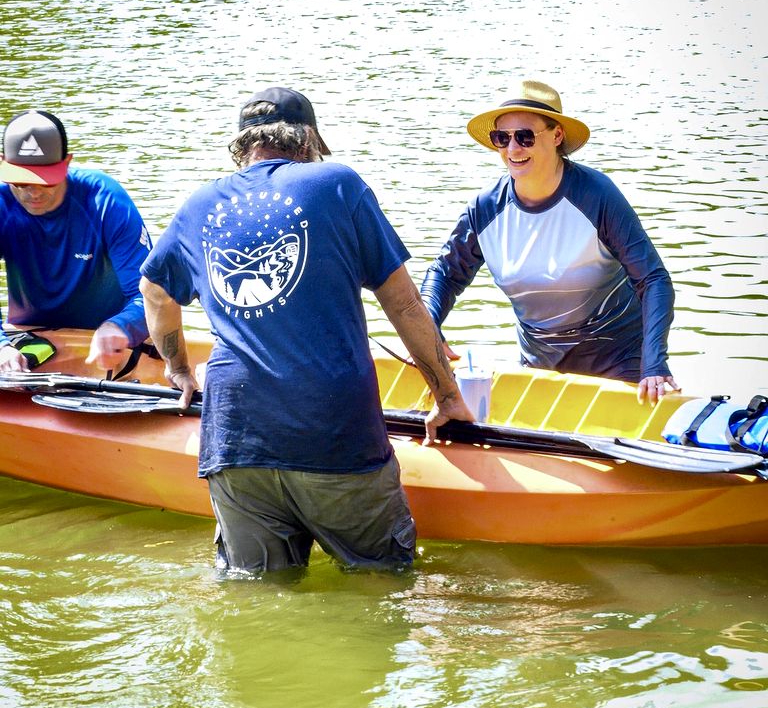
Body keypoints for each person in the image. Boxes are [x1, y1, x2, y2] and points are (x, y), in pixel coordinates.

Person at [139, 87, 472, 574]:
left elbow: (154, 291)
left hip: (235, 443)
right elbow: (402, 302)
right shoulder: (337, 184)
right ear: (308, 139)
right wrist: (446, 396)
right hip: (334, 437)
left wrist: (180, 371)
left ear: (242, 145)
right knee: (382, 585)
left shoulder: (200, 204)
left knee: (255, 599)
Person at [421, 80, 680, 406]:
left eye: (525, 136)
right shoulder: (486, 207)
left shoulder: (597, 195)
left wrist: (654, 362)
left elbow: (653, 279)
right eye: (502, 138)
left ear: (557, 136)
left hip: (619, 364)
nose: (513, 149)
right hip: (539, 369)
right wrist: (426, 331)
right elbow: (446, 273)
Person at [0, 110, 152, 373]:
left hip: (106, 345)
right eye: (21, 181)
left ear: (67, 163)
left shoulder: (105, 200)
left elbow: (151, 294)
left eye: (45, 181)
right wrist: (1, 346)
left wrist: (121, 325)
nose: (32, 192)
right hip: (29, 345)